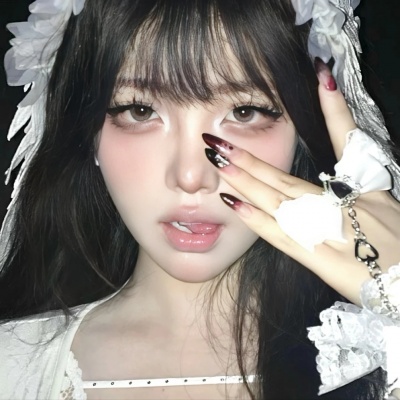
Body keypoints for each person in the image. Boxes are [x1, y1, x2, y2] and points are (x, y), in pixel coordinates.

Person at [0, 0, 399, 399]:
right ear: (88, 132)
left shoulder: (378, 355)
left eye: (245, 112)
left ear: (303, 130)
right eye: (140, 110)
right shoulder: (12, 367)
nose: (191, 177)